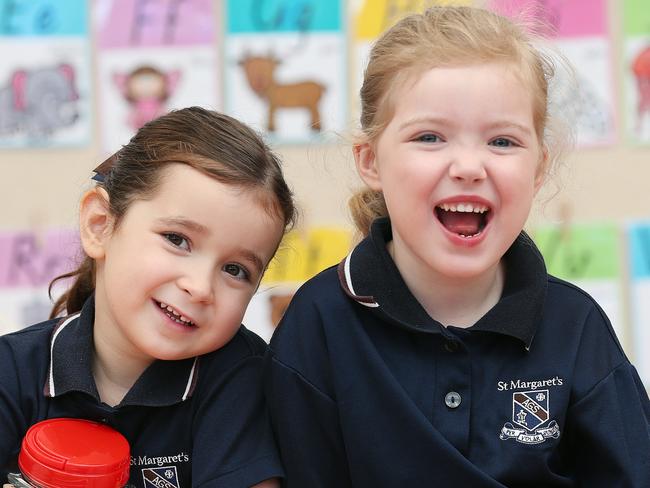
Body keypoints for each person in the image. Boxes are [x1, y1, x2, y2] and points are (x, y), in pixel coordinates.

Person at [264, 6, 650, 487]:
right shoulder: (317, 323)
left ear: (538, 167)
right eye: (430, 137)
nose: (469, 165)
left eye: (502, 142)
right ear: (371, 162)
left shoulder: (577, 327)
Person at [0, 106, 296, 487]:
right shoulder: (11, 370)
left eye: (235, 270)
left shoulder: (242, 375)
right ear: (100, 225)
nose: (200, 287)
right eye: (177, 240)